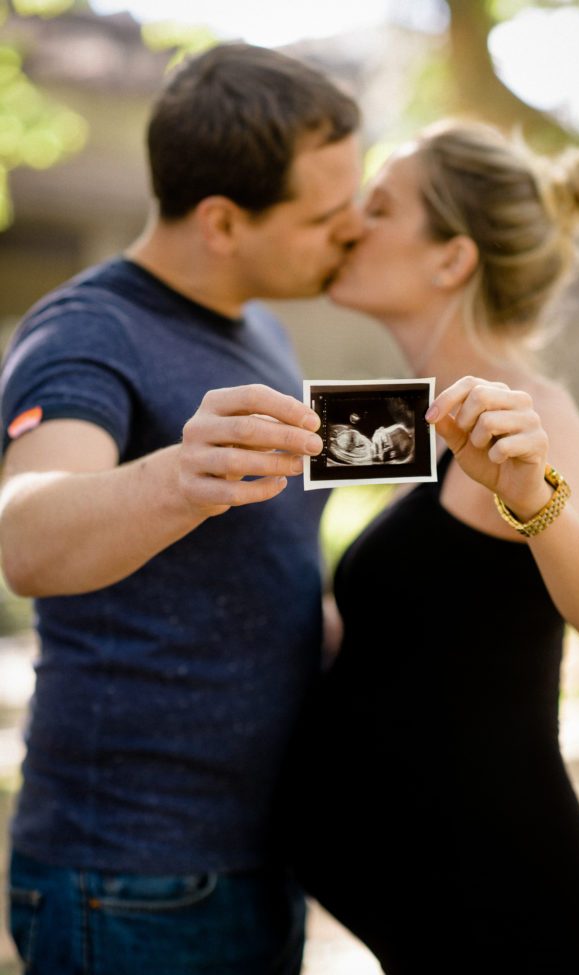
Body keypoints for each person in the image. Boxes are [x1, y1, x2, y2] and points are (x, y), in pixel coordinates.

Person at [0, 41, 363, 975]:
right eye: (325, 216)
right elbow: (26, 534)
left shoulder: (262, 326)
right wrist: (179, 476)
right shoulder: (85, 331)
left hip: (256, 857)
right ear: (222, 221)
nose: (352, 229)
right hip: (129, 879)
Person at [279, 119, 579, 974]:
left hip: (521, 928)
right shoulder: (422, 424)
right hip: (439, 930)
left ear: (450, 258)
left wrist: (534, 496)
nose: (349, 223)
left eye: (379, 207)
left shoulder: (528, 415)